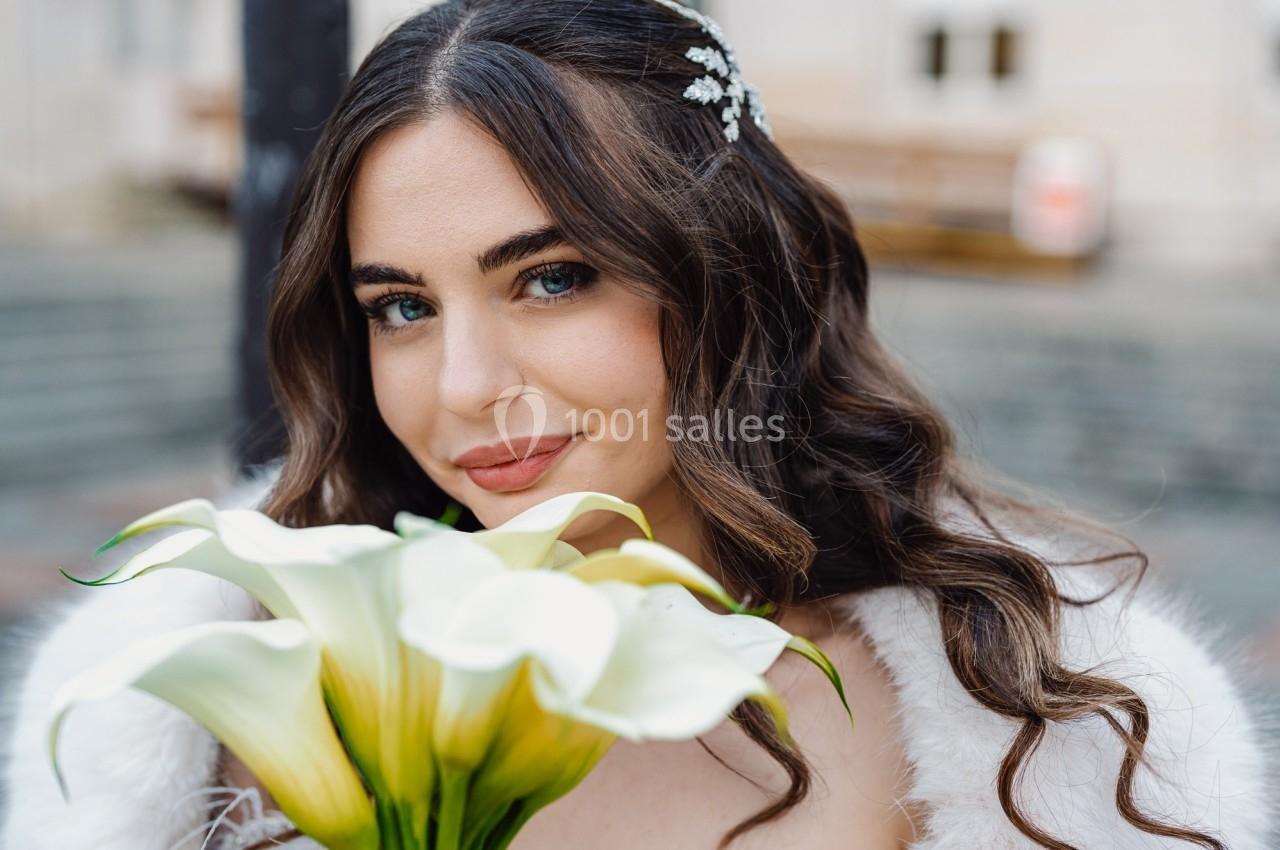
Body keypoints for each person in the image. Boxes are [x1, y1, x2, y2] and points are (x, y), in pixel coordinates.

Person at [2, 1, 1276, 848]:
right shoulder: (240, 693)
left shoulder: (1020, 727)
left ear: (721, 273)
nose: (464, 385)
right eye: (400, 306)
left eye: (551, 278)